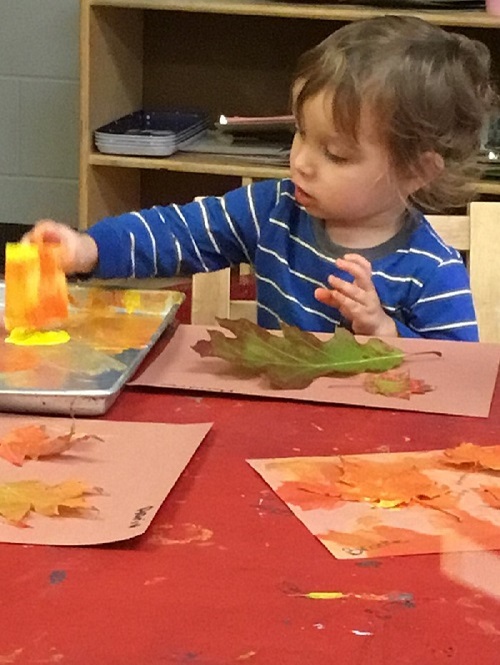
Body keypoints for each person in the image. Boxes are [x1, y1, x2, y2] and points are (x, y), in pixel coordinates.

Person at [24, 15, 496, 340]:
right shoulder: (272, 208)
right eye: (300, 135)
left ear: (417, 170)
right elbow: (177, 233)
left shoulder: (434, 271)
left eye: (335, 154)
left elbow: (456, 379)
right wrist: (88, 249)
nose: (302, 163)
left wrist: (385, 333)